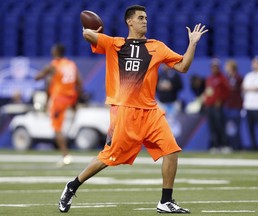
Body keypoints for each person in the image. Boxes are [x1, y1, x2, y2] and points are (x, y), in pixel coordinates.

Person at [58, 5, 208, 214]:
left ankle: (165, 201)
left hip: (151, 112)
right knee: (108, 158)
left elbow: (183, 67)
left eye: (146, 17)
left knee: (172, 151)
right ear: (129, 21)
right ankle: (72, 185)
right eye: (140, 17)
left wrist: (192, 43)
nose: (144, 21)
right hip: (124, 111)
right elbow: (88, 35)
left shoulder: (157, 46)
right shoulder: (115, 44)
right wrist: (92, 29)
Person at [35, 44, 82, 166]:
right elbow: (79, 83)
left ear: (56, 52)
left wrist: (41, 75)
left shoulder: (54, 65)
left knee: (57, 128)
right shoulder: (71, 64)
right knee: (63, 127)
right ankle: (65, 153)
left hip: (59, 98)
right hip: (70, 97)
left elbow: (39, 78)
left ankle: (66, 156)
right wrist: (76, 101)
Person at [203, 59, 230, 153]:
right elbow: (208, 91)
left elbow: (226, 91)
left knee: (220, 126)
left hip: (217, 107)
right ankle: (214, 145)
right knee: (212, 127)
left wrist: (221, 100)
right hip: (209, 106)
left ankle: (224, 145)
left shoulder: (222, 78)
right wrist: (206, 100)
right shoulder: (209, 79)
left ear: (218, 68)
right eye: (212, 67)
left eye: (215, 67)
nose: (213, 69)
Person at [224, 60, 243, 150]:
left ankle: (237, 146)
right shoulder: (227, 78)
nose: (225, 68)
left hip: (236, 106)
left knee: (236, 127)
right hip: (228, 106)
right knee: (228, 127)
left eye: (227, 66)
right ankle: (230, 145)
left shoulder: (238, 78)